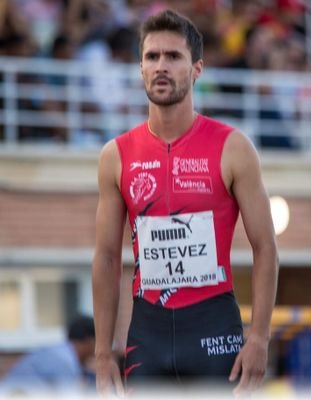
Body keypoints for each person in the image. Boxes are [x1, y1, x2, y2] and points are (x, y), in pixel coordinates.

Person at [92, 9, 279, 397]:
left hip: (214, 329)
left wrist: (259, 337)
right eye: (152, 57)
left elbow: (266, 249)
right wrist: (101, 352)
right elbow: (107, 257)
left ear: (197, 69)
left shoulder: (233, 148)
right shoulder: (117, 155)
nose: (161, 66)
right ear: (140, 68)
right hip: (148, 333)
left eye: (173, 57)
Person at [0, 314, 96, 396]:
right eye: (98, 342)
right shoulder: (64, 361)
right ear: (89, 341)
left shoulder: (58, 351)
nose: (97, 350)